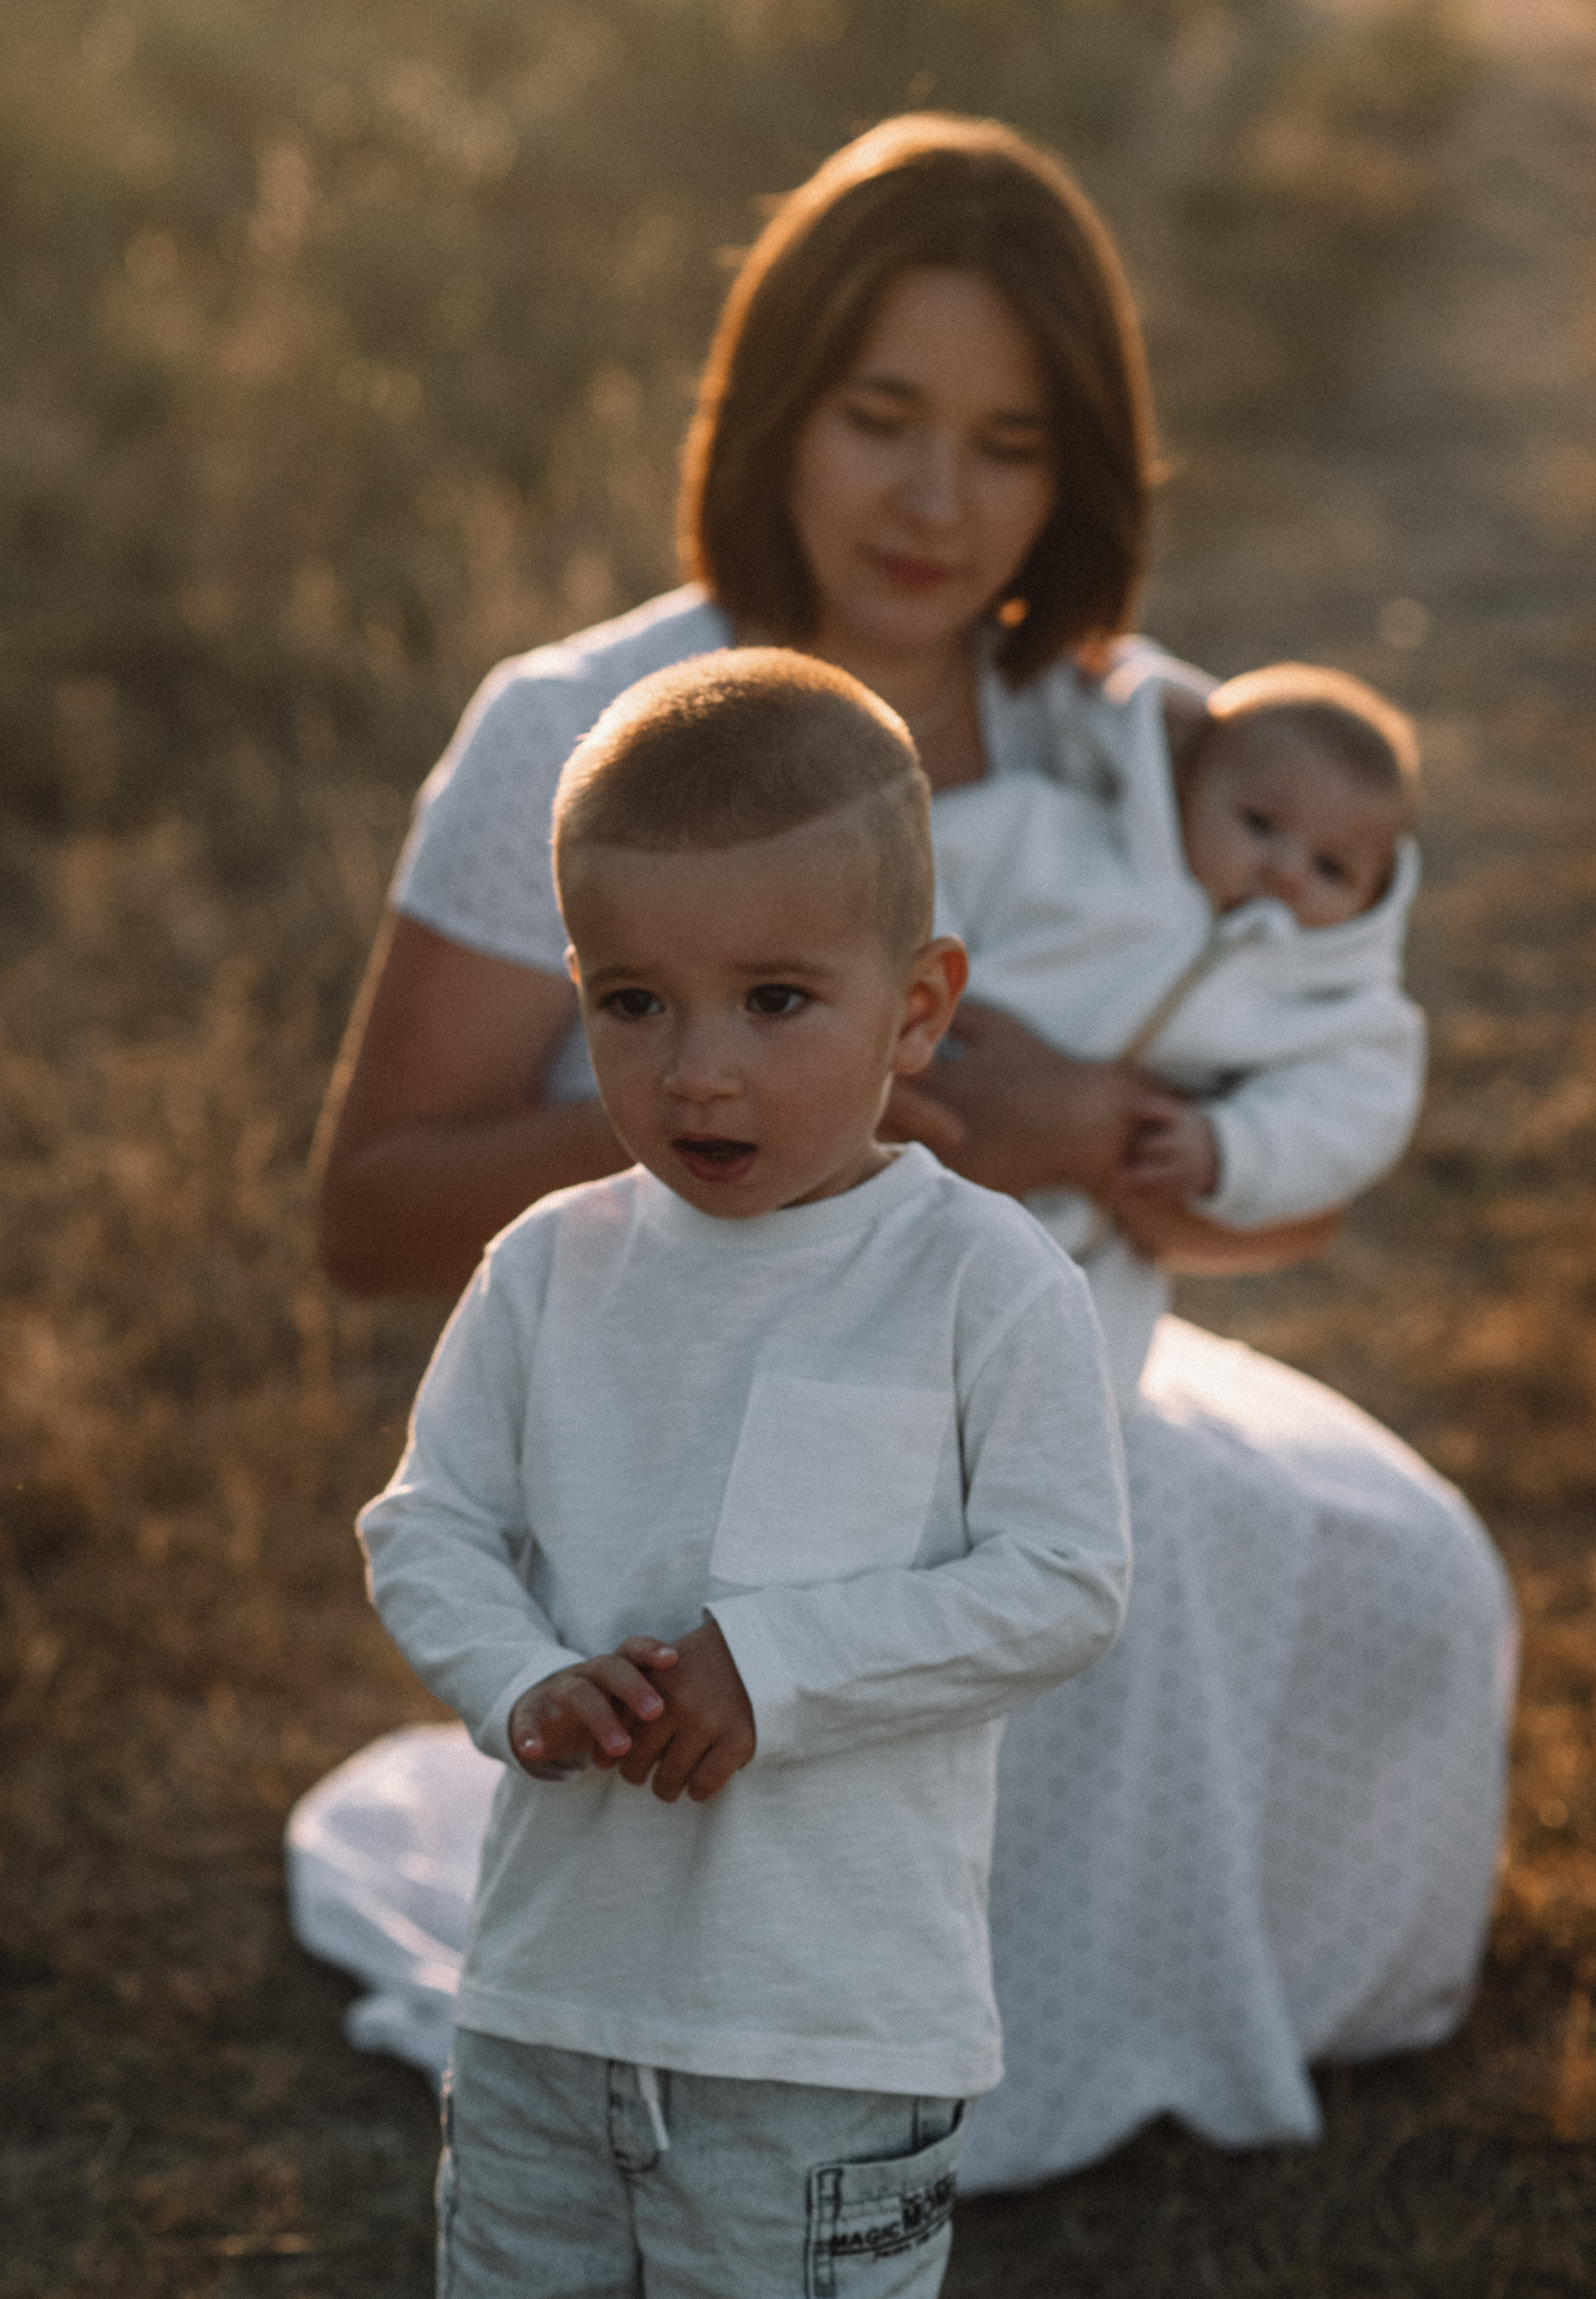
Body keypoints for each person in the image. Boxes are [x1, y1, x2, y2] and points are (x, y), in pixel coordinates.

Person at [291, 112, 1514, 2194]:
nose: (941, 500)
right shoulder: (574, 721)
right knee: (865, 1630)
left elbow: (1284, 1197)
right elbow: (372, 1210)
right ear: (776, 407)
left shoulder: (1152, 748)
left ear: (1084, 471)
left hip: (1044, 1366)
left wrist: (1091, 1132)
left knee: (1412, 1581)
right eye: (881, 416)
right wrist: (743, 1091)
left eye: (1013, 442)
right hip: (699, 1398)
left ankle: (1168, 1973)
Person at [358, 651, 1132, 2297]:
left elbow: (1065, 1581)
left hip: (823, 2024)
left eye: (776, 1000)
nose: (696, 1068)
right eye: (634, 1001)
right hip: (547, 1996)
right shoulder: (550, 1266)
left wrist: (775, 1667)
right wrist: (522, 1683)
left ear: (918, 1005)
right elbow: (428, 1522)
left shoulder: (979, 1281)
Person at [931, 661, 1428, 1403]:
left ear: (1377, 890)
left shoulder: (1332, 1000)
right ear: (1184, 784)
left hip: (1082, 1259)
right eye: (1259, 824)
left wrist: (1232, 1146)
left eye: (1332, 867)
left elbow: (1353, 1110)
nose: (1286, 872)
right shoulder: (1053, 840)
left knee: (1041, 1418)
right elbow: (920, 865)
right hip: (924, 1120)